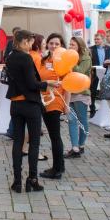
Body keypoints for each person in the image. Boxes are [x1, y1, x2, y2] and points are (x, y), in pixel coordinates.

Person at [5, 29, 55, 193]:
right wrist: (48, 84)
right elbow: (32, 84)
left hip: (16, 104)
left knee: (18, 142)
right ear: (24, 41)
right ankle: (32, 179)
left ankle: (17, 181)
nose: (32, 45)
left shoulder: (10, 57)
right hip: (30, 104)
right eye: (31, 42)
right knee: (34, 142)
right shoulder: (25, 58)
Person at [38, 33, 67, 179]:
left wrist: (66, 105)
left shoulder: (64, 61)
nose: (54, 46)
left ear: (61, 45)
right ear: (47, 44)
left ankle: (56, 170)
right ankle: (60, 165)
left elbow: (69, 84)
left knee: (55, 136)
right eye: (51, 43)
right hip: (43, 100)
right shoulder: (45, 59)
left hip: (54, 101)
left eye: (57, 44)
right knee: (54, 135)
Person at [65, 36, 91, 158]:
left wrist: (71, 62)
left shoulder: (85, 58)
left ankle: (81, 145)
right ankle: (74, 147)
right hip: (70, 92)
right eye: (70, 44)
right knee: (72, 120)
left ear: (79, 46)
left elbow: (80, 72)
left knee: (82, 120)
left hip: (81, 93)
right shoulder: (68, 57)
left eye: (73, 45)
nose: (70, 47)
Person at [89, 32, 110, 117]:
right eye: (95, 39)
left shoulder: (108, 48)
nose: (96, 41)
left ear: (102, 39)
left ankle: (104, 110)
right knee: (92, 91)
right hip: (94, 72)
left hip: (105, 71)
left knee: (105, 91)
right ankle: (92, 109)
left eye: (98, 39)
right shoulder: (91, 49)